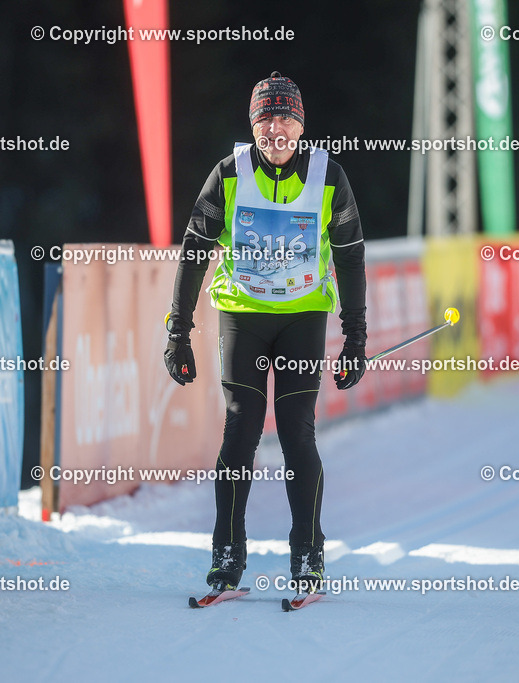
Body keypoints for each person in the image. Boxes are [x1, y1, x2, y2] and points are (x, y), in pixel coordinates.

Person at [165, 71, 367, 595]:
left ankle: (308, 556)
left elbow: (350, 257)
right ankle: (227, 556)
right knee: (240, 430)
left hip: (303, 318)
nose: (274, 130)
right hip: (243, 316)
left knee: (297, 433)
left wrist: (356, 337)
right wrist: (178, 330)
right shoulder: (228, 173)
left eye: (284, 119)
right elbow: (194, 251)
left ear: (301, 125)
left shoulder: (329, 176)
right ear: (252, 126)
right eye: (264, 120)